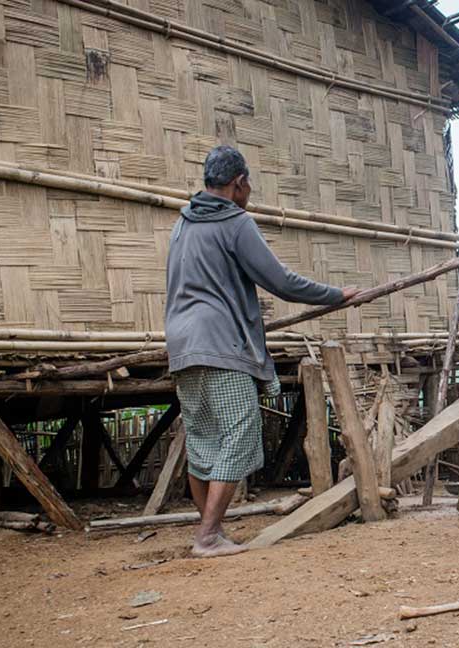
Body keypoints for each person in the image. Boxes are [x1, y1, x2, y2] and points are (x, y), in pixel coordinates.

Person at [165, 145, 358, 558]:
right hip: (219, 344)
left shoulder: (183, 224)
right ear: (239, 183)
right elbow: (281, 281)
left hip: (181, 344)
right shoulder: (234, 222)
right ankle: (209, 535)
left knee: (202, 440)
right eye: (248, 184)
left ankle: (208, 531)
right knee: (241, 430)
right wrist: (335, 295)